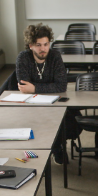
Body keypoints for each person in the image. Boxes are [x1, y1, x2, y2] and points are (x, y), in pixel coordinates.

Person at [16, 22, 81, 164]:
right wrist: (47, 87)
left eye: (46, 44)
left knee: (70, 121)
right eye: (38, 45)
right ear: (31, 45)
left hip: (55, 101)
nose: (43, 49)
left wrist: (35, 88)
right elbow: (24, 86)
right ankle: (45, 148)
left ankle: (56, 147)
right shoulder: (23, 58)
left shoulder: (55, 56)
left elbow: (61, 85)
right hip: (31, 103)